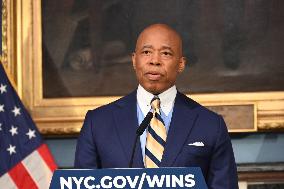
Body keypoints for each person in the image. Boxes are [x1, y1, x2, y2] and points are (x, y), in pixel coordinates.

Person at [74, 23, 239, 188]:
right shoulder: (97, 123)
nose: (155, 61)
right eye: (146, 52)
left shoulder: (210, 125)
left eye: (166, 53)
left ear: (181, 64)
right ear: (134, 60)